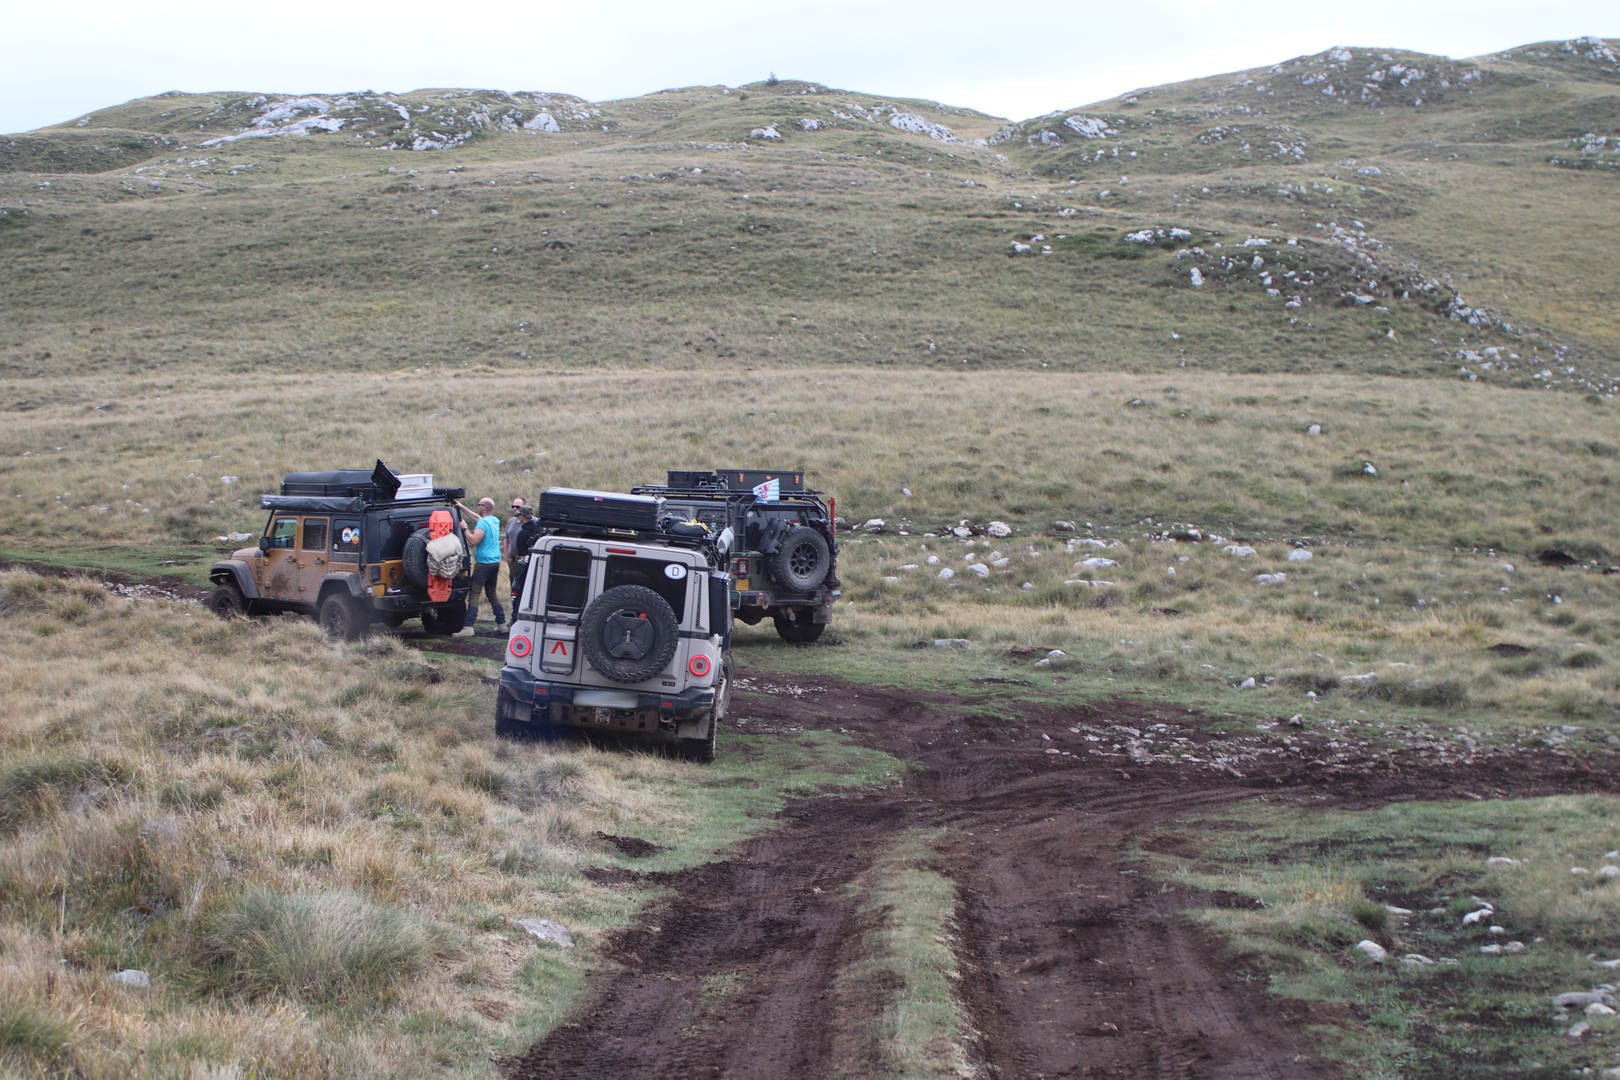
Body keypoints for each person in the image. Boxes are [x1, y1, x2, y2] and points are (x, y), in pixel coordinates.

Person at [452, 496, 505, 637]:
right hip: (495, 563)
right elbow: (478, 518)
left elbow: (473, 541)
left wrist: (465, 529)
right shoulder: (494, 520)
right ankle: (502, 625)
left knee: (474, 594)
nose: (477, 506)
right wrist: (462, 507)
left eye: (479, 504)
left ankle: (468, 627)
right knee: (492, 593)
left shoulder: (482, 523)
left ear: (484, 507)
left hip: (483, 565)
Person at [508, 503, 542, 610]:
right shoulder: (539, 530)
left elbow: (520, 556)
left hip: (524, 568)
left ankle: (516, 612)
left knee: (518, 591)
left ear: (523, 516)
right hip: (539, 567)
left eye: (519, 515)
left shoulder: (523, 533)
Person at [505, 496, 530, 586]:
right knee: (513, 584)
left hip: (525, 560)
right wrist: (507, 557)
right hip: (512, 561)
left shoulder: (532, 522)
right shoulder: (511, 522)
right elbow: (507, 540)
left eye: (518, 507)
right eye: (513, 506)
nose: (515, 509)